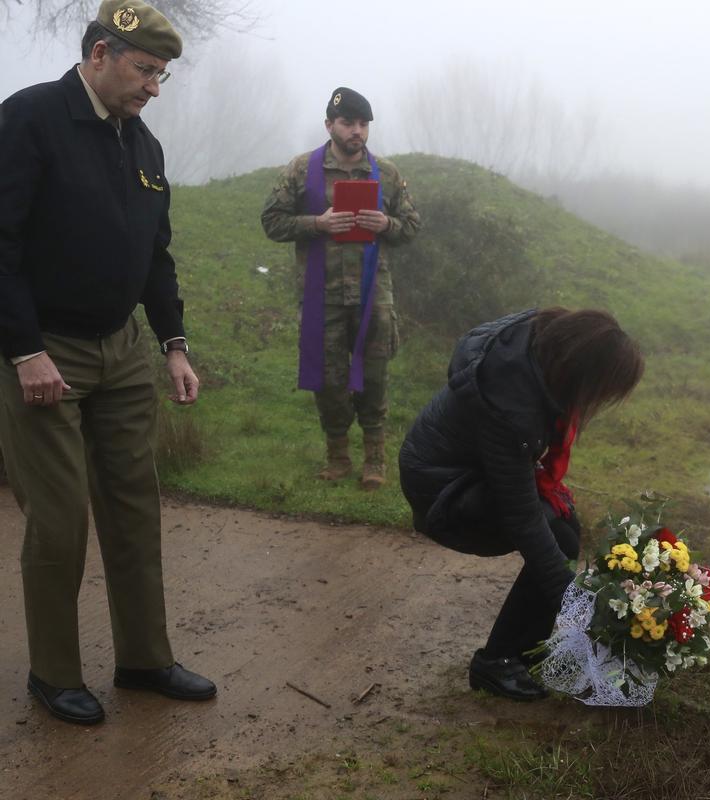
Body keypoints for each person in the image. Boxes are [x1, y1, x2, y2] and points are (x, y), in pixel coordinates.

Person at [0, 0, 216, 726]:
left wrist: (174, 344)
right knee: (60, 518)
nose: (155, 86)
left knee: (134, 508)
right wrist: (25, 350)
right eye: (145, 70)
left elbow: (155, 256)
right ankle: (53, 674)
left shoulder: (143, 145)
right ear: (99, 55)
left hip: (122, 350)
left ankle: (145, 658)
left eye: (162, 75)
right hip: (44, 350)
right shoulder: (29, 120)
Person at [399, 308, 644, 700]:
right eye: (600, 388)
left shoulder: (539, 348)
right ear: (581, 371)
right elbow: (523, 520)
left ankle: (518, 655)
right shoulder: (509, 407)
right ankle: (495, 664)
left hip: (464, 472)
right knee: (549, 530)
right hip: (441, 490)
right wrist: (583, 612)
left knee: (562, 530)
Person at [261, 88, 420, 490]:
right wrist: (316, 224)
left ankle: (375, 461)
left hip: (373, 296)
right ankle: (338, 456)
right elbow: (272, 221)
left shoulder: (386, 173)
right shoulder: (302, 170)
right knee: (327, 379)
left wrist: (387, 225)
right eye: (348, 123)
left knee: (375, 375)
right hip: (322, 294)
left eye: (363, 124)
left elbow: (412, 226)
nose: (357, 132)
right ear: (329, 125)